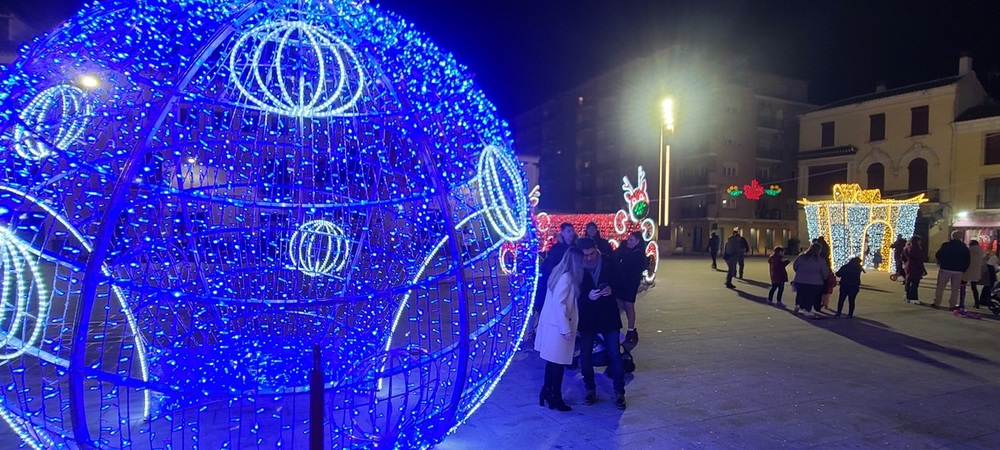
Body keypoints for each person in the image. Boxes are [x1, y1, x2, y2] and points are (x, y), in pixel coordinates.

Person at [575, 237, 627, 410]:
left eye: (591, 254)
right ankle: (590, 389)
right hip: (588, 317)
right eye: (585, 255)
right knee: (585, 355)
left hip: (608, 315)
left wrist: (611, 289)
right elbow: (573, 291)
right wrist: (586, 296)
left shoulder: (607, 261)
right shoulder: (577, 266)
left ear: (596, 249)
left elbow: (620, 282)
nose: (589, 258)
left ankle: (619, 392)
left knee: (614, 353)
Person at [534, 247, 584, 412]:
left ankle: (547, 392)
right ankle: (555, 396)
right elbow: (560, 304)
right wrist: (566, 329)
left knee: (553, 363)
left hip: (553, 327)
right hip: (558, 329)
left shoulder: (558, 274)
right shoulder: (566, 278)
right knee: (558, 364)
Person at [528, 223, 576, 343]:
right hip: (558, 282)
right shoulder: (556, 249)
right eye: (568, 231)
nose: (571, 233)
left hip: (573, 282)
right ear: (563, 233)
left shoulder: (576, 248)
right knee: (558, 305)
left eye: (572, 231)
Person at [615, 231, 646, 349]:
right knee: (622, 303)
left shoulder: (637, 254)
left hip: (630, 283)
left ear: (637, 241)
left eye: (631, 240)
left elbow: (630, 268)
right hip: (625, 283)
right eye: (629, 240)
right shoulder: (631, 251)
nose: (629, 242)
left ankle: (631, 329)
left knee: (629, 305)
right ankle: (629, 329)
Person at [934, 230, 971, 310]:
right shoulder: (964, 247)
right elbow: (968, 259)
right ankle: (952, 305)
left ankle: (937, 302)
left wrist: (942, 263)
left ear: (952, 236)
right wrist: (963, 269)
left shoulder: (946, 245)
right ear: (960, 237)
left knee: (940, 287)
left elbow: (938, 255)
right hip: (958, 270)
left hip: (945, 269)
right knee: (955, 289)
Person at [792, 243, 831, 318]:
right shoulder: (820, 260)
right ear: (819, 250)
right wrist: (824, 277)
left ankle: (798, 305)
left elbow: (795, 266)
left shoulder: (801, 257)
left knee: (800, 294)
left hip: (800, 280)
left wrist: (800, 273)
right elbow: (825, 272)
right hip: (814, 282)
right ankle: (807, 310)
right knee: (810, 296)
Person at [960, 240, 986, 310]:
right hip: (976, 271)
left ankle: (961, 302)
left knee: (963, 286)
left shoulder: (968, 250)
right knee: (974, 288)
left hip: (966, 270)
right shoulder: (981, 251)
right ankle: (977, 303)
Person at [904, 236, 927, 304]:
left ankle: (907, 296)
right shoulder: (916, 248)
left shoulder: (907, 247)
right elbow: (919, 260)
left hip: (908, 265)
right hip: (915, 267)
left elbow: (902, 257)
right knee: (915, 283)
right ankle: (913, 298)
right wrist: (923, 270)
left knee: (908, 281)